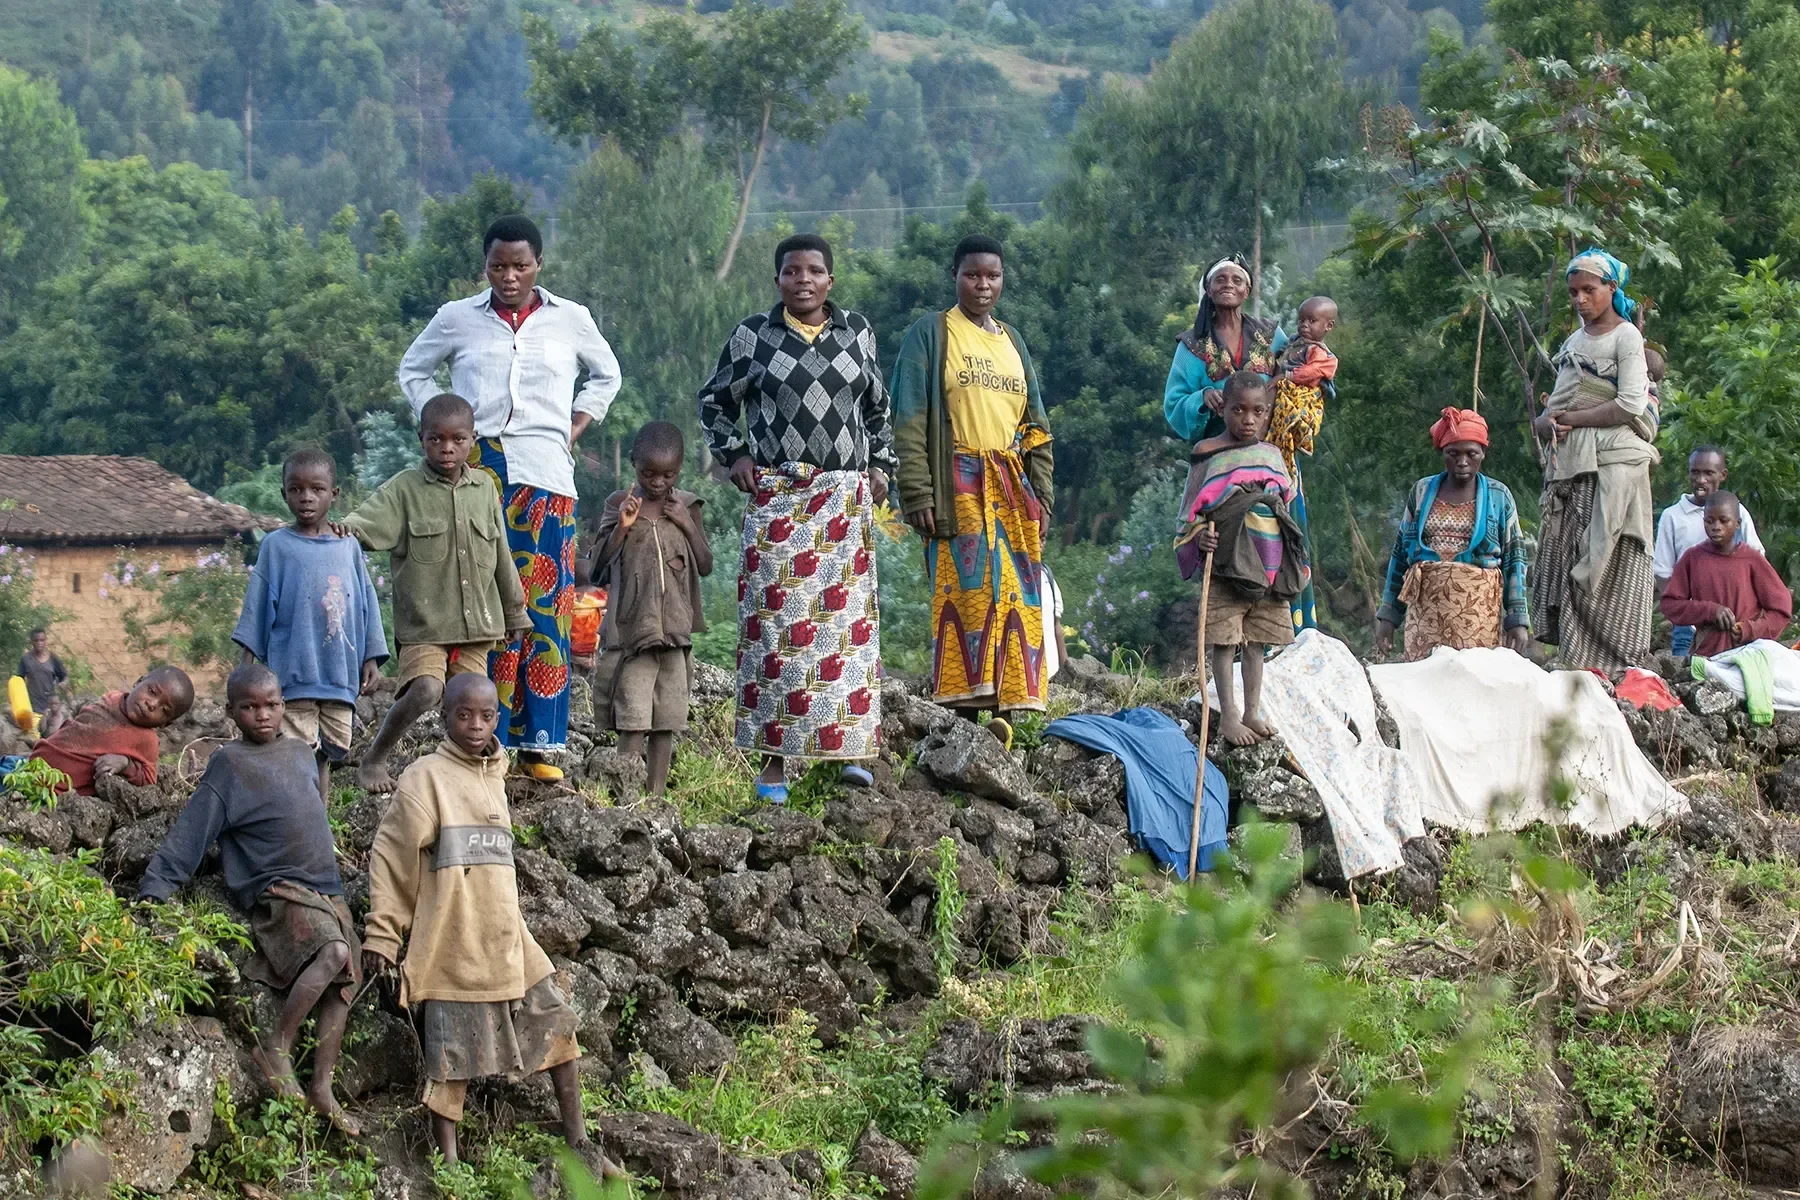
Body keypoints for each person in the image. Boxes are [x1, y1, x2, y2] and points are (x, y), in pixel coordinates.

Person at [361, 674, 617, 1177]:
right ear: (443, 717)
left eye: (485, 716)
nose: (475, 726)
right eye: (463, 715)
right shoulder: (424, 778)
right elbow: (391, 858)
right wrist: (382, 933)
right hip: (454, 936)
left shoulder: (495, 772)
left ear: (498, 720)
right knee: (451, 1053)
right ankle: (449, 1166)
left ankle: (580, 1143)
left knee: (556, 1023)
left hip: (507, 936)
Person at [397, 214, 622, 782]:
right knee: (486, 604)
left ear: (539, 265)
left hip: (548, 471)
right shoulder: (458, 320)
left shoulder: (571, 319)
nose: (510, 276)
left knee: (547, 605)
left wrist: (574, 424)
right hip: (479, 473)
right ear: (485, 266)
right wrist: (445, 427)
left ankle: (540, 745)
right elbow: (413, 369)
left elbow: (608, 375)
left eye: (521, 265)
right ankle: (482, 737)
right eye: (499, 265)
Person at [699, 233, 894, 803]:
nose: (802, 279)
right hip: (780, 498)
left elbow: (877, 406)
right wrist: (733, 454)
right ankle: (773, 765)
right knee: (774, 632)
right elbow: (714, 401)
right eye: (791, 271)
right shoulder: (754, 336)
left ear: (831, 280)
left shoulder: (856, 332)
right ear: (778, 279)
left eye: (814, 271)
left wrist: (880, 464)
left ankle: (852, 755)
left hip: (841, 500)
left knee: (846, 631)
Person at [137, 663, 362, 1135]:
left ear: (284, 706)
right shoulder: (229, 765)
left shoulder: (302, 753)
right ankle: (275, 1048)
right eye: (250, 707)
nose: (263, 715)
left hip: (325, 886)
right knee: (333, 951)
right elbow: (191, 835)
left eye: (272, 705)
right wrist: (154, 895)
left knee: (348, 972)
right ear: (231, 713)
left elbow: (314, 820)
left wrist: (337, 890)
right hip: (278, 886)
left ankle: (323, 1085)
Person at [891, 234, 1055, 748]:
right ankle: (964, 714)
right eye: (972, 275)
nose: (983, 285)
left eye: (993, 276)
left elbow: (1036, 425)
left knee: (1017, 595)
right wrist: (917, 493)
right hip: (955, 479)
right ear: (955, 276)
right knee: (967, 593)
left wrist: (1042, 495)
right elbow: (909, 419)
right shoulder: (931, 334)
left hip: (1011, 483)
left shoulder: (1013, 342)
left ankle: (1006, 710)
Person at [342, 394, 529, 794]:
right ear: (421, 439)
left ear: (473, 439)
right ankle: (376, 756)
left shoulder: (484, 489)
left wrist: (515, 612)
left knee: (474, 705)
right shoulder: (405, 489)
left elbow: (500, 553)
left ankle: (469, 775)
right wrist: (337, 530)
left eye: (458, 440)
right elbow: (363, 523)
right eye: (436, 440)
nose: (447, 449)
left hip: (477, 626)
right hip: (426, 626)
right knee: (428, 690)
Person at [1164, 257, 1317, 632]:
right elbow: (1173, 405)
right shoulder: (1191, 347)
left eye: (1237, 279)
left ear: (1247, 290)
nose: (1228, 284)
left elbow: (1299, 371)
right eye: (1220, 279)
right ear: (1208, 289)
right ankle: (1232, 643)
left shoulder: (1271, 335)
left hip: (1272, 461)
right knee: (1226, 544)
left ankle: (1290, 635)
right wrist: (1202, 397)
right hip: (1222, 466)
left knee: (1283, 536)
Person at [1531, 247, 1660, 673]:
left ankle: (1620, 664)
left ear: (1611, 288)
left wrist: (1571, 419)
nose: (1580, 299)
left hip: (1613, 466)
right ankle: (1578, 665)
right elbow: (1555, 410)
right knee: (1571, 559)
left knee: (1611, 557)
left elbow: (1629, 406)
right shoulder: (1573, 342)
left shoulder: (1627, 338)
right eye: (1573, 292)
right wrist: (1549, 423)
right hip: (1574, 471)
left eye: (1589, 290)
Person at [234, 447, 389, 801]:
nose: (306, 497)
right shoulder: (276, 547)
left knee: (328, 751)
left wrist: (371, 658)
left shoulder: (348, 546)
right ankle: (297, 816)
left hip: (339, 671)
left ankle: (317, 818)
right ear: (284, 493)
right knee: (296, 751)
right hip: (294, 671)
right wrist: (245, 668)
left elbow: (365, 603)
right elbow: (258, 606)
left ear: (334, 494)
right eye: (296, 489)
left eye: (317, 489)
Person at [1178, 373, 1308, 746]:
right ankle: (1228, 717)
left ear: (1267, 414)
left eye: (1257, 412)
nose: (1248, 420)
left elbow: (1283, 504)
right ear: (1224, 407)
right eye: (1238, 410)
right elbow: (1189, 512)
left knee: (1257, 642)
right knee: (1224, 640)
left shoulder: (1271, 455)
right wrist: (1199, 537)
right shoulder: (1208, 453)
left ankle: (1252, 709)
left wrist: (1294, 556)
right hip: (1226, 564)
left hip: (1269, 567)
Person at [589, 421, 712, 797]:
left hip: (675, 634)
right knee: (633, 719)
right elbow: (597, 569)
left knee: (667, 721)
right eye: (648, 473)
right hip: (633, 635)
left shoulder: (688, 506)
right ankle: (624, 798)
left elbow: (705, 564)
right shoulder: (618, 505)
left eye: (668, 474)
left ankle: (655, 798)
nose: (658, 482)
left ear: (679, 470)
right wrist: (622, 528)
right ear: (634, 465)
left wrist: (686, 525)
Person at [1375, 408, 1531, 661]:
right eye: (1453, 453)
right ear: (1442, 454)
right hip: (1426, 615)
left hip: (1477, 616)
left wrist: (1517, 618)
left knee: (1473, 682)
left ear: (1483, 453)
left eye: (1471, 453)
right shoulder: (1422, 491)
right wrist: (1389, 616)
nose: (1462, 461)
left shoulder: (1498, 496)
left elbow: (1515, 559)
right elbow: (1400, 556)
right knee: (1423, 685)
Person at [1654, 446, 1763, 657]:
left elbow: (1756, 561)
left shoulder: (1738, 512)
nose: (1701, 479)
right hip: (1689, 625)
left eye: (1708, 473)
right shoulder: (1673, 516)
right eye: (1695, 472)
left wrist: (1748, 617)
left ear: (1722, 475)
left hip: (1734, 622)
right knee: (1686, 678)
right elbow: (1664, 573)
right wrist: (1685, 612)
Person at [1659, 491, 1792, 658]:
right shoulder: (1693, 558)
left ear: (1737, 523)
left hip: (1749, 654)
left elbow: (1782, 609)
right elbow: (1670, 605)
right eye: (1709, 521)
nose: (1716, 527)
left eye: (1724, 521)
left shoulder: (1751, 559)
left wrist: (1750, 629)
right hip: (1707, 656)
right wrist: (1708, 611)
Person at [29, 666, 193, 794]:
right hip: (33, 765)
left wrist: (125, 763)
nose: (152, 704)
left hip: (57, 793)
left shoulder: (146, 740)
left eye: (164, 709)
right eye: (151, 691)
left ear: (166, 723)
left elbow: (149, 778)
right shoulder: (111, 698)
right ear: (138, 682)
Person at [1269, 295, 1339, 479]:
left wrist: (1285, 377)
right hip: (1284, 382)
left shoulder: (1320, 352)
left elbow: (1313, 372)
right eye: (1301, 320)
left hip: (1301, 392)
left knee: (1287, 412)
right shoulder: (1294, 342)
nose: (1304, 325)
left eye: (1312, 321)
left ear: (1328, 326)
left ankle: (1293, 436)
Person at [17, 628, 68, 737]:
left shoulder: (53, 658)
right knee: (34, 739)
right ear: (32, 641)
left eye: (42, 640)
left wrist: (63, 684)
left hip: (51, 708)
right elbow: (18, 681)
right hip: (33, 707)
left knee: (53, 737)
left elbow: (64, 676)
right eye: (36, 641)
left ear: (46, 640)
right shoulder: (26, 660)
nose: (40, 643)